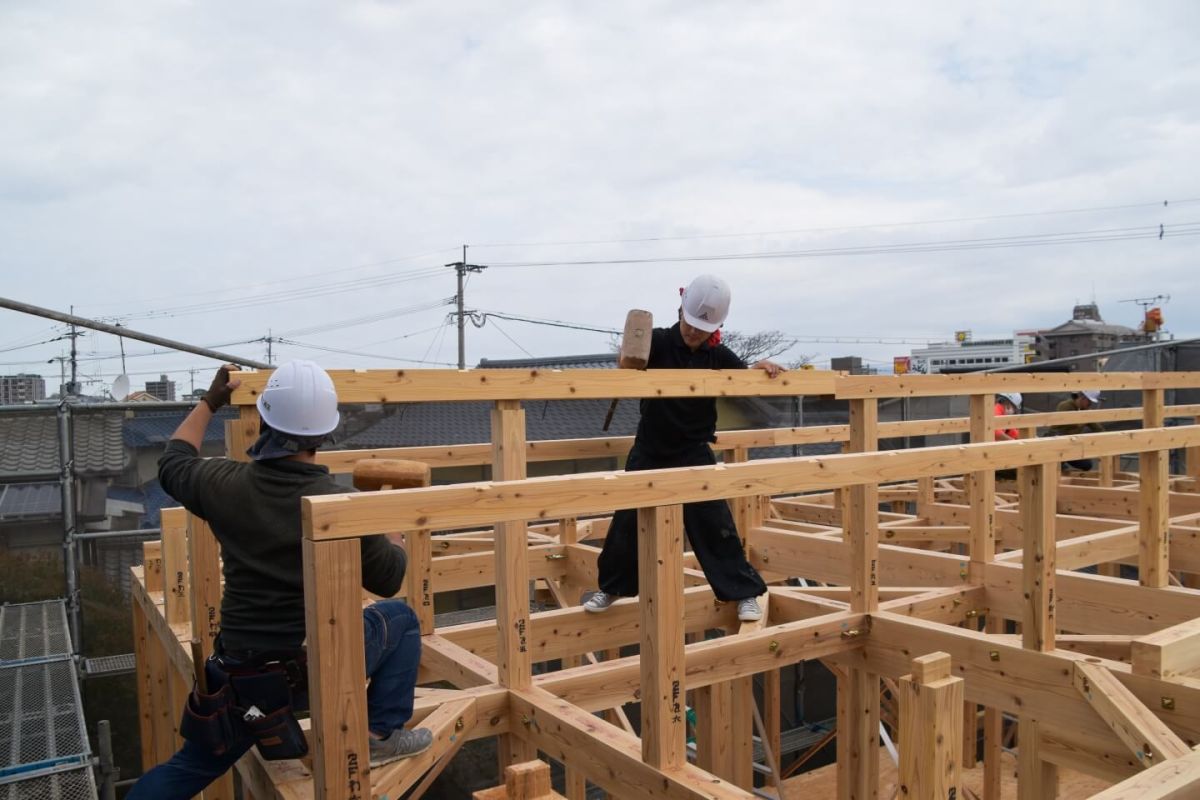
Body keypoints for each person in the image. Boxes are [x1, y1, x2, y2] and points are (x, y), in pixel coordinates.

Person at [128, 361, 431, 800]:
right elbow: (390, 579)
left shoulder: (224, 484)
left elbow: (174, 461)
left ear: (267, 419)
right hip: (313, 676)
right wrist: (393, 538)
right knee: (399, 619)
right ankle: (381, 735)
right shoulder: (336, 503)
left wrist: (211, 401)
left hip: (241, 679)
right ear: (325, 432)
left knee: (188, 767)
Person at [584, 274, 783, 622]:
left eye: (702, 330)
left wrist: (760, 368)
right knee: (627, 524)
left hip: (693, 448)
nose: (694, 334)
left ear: (715, 329)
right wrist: (627, 358)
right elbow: (629, 365)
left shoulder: (715, 354)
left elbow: (743, 376)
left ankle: (745, 593)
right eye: (690, 326)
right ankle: (612, 587)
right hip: (652, 446)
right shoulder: (657, 342)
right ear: (680, 313)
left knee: (713, 525)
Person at [1049, 389, 1103, 472]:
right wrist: (1084, 419)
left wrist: (1108, 437)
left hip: (1070, 447)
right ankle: (1059, 465)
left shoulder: (1084, 411)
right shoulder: (1065, 406)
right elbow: (1068, 426)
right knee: (1058, 467)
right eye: (1089, 401)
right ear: (1082, 398)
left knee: (1086, 465)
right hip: (1056, 445)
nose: (1090, 404)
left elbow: (1098, 428)